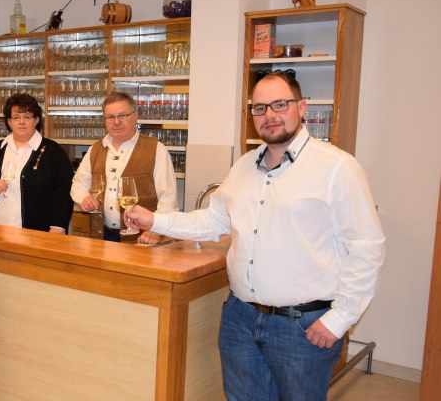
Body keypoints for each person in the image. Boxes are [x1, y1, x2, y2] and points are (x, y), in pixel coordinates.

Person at [125, 72, 386, 400]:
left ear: (301, 107)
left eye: (280, 104)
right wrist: (154, 220)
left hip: (302, 325)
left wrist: (341, 318)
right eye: (260, 108)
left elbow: (367, 247)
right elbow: (213, 221)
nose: (270, 115)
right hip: (240, 317)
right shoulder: (244, 166)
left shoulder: (337, 168)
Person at [70, 92, 178, 244]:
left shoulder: (155, 149)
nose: (116, 122)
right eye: (110, 117)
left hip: (142, 238)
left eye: (122, 115)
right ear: (105, 120)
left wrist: (155, 230)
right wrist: (83, 198)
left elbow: (168, 197)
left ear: (135, 116)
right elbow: (78, 184)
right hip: (102, 235)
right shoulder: (95, 149)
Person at [0, 93, 73, 233]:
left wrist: (58, 226)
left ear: (36, 120)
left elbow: (65, 192)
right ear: (9, 122)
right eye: (16, 117)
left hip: (36, 233)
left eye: (27, 117)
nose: (21, 122)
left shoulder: (54, 152)